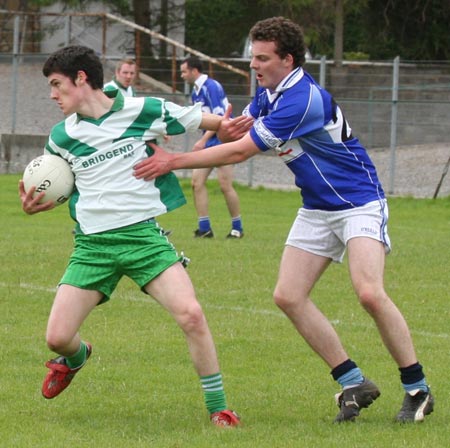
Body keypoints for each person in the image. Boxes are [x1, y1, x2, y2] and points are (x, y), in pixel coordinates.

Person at [134, 17, 434, 424]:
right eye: (252, 57)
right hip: (316, 207)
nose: (254, 65)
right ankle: (353, 382)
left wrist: (175, 160)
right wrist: (210, 129)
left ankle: (417, 388)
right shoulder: (270, 93)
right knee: (288, 296)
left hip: (358, 202)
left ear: (288, 59)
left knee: (368, 292)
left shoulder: (301, 99)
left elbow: (241, 152)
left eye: (262, 58)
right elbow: (238, 131)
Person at [18, 45, 250, 427]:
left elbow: (197, 118)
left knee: (191, 314)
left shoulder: (141, 110)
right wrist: (37, 203)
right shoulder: (61, 137)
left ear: (81, 79)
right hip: (93, 246)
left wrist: (223, 126)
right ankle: (77, 358)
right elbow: (57, 186)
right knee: (58, 339)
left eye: (57, 85)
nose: (52, 95)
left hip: (143, 239)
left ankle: (219, 408)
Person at [180, 56, 244, 239]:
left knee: (225, 185)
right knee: (196, 182)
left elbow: (220, 118)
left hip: (223, 141)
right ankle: (204, 228)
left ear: (194, 71)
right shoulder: (196, 91)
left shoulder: (211, 86)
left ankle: (237, 228)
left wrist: (202, 141)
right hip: (209, 142)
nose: (182, 75)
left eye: (184, 71)